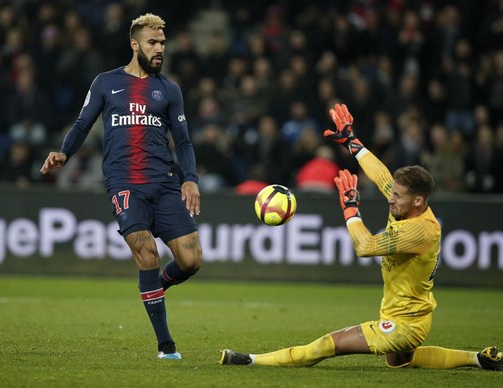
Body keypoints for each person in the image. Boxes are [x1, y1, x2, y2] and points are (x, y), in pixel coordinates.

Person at [219, 103, 502, 371]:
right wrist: (352, 141)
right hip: (406, 315)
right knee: (401, 362)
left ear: (418, 201)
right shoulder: (405, 206)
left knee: (329, 344)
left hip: (405, 324)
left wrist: (350, 209)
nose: (390, 199)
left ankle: (250, 361)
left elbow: (365, 246)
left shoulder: (421, 230)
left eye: (397, 196)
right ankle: (478, 359)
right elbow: (381, 176)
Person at [40, 13, 202, 360]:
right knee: (146, 253)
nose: (159, 49)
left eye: (162, 43)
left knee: (191, 260)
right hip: (124, 183)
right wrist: (63, 153)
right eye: (152, 43)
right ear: (134, 44)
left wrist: (190, 178)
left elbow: (184, 142)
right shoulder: (105, 83)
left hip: (164, 183)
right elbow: (83, 123)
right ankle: (166, 346)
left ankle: (156, 287)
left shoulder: (169, 90)